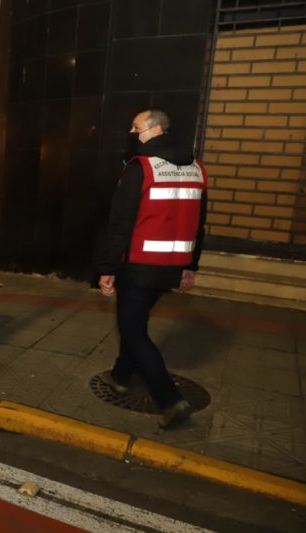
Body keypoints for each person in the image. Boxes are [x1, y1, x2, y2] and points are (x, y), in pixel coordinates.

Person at [95, 109, 208, 430]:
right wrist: (190, 266)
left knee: (133, 331)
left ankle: (170, 400)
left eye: (137, 127)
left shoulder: (140, 168)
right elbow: (200, 225)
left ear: (156, 129)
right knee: (136, 320)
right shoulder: (197, 169)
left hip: (139, 266)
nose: (133, 133)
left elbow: (120, 222)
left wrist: (107, 267)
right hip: (172, 266)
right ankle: (120, 375)